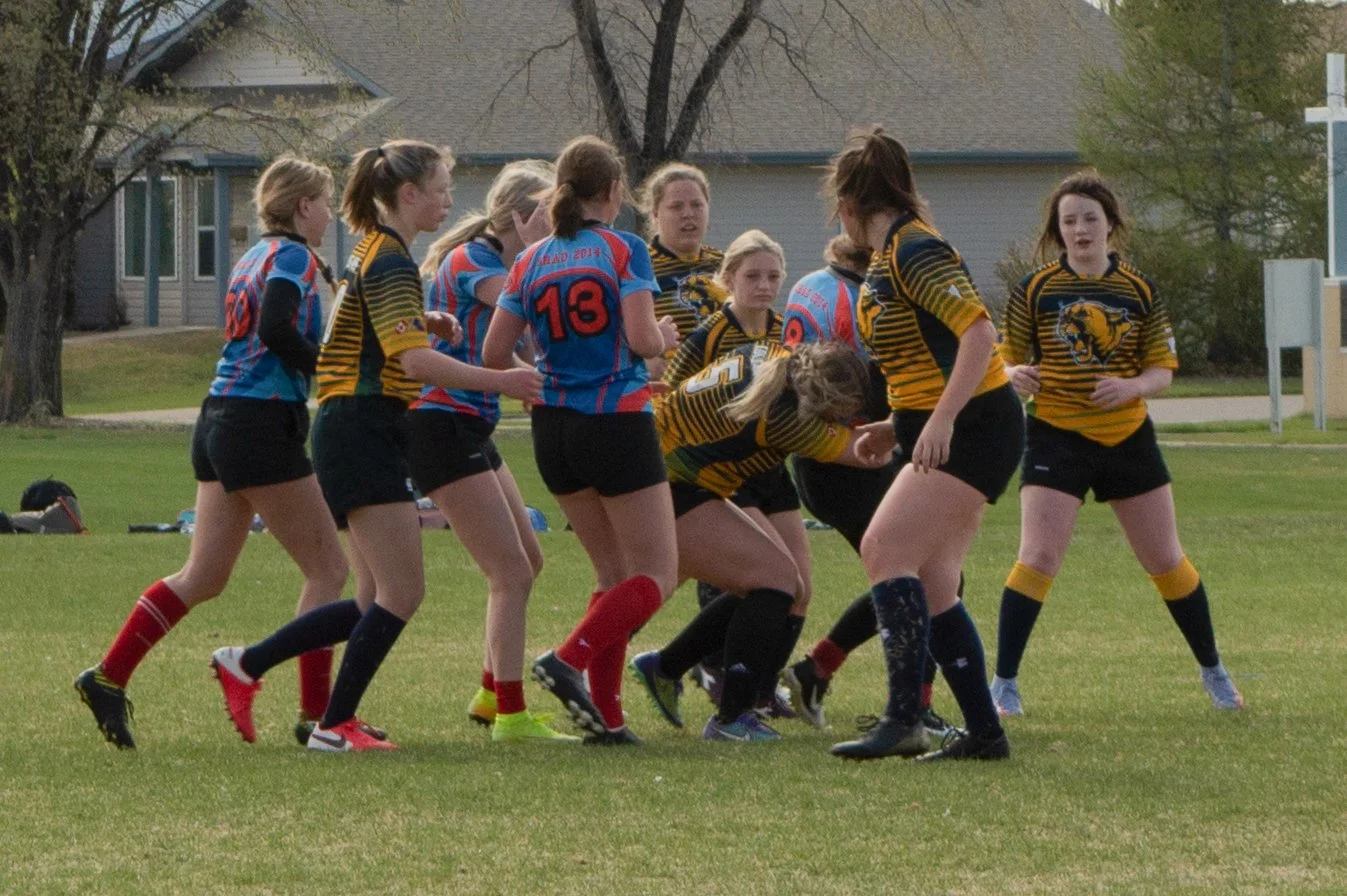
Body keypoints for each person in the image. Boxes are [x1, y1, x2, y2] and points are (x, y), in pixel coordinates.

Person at [210, 140, 543, 753]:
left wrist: (428, 323)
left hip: (353, 427)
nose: (449, 200)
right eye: (441, 188)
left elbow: (369, 334)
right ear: (408, 195)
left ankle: (249, 664)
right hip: (362, 428)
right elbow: (412, 362)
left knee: (371, 596)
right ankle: (333, 724)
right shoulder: (389, 258)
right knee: (402, 592)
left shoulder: (374, 251)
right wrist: (503, 378)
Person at [73, 156, 351, 750]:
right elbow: (277, 329)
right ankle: (319, 719)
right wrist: (331, 369)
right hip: (258, 421)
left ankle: (108, 676)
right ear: (303, 207)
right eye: (326, 202)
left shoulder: (252, 256)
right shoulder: (295, 256)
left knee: (203, 575)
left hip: (218, 416)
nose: (330, 214)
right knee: (328, 570)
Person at [990, 169, 1242, 717]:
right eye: (1069, 221)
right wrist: (1015, 373)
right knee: (1036, 556)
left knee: (1165, 560)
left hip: (1127, 437)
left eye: (1090, 219)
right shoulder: (1034, 289)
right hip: (1056, 435)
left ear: (1110, 226)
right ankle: (1003, 685)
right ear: (1058, 232)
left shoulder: (1138, 289)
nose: (1080, 230)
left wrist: (1131, 386)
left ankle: (1214, 672)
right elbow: (1004, 356)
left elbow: (1161, 371)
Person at [822, 126, 1025, 762]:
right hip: (952, 426)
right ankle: (984, 735)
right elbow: (921, 358)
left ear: (847, 207)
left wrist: (937, 423)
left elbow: (977, 335)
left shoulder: (914, 249)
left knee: (884, 548)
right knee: (935, 583)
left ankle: (904, 716)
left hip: (976, 427)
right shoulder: (886, 259)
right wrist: (898, 425)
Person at [483, 135, 680, 746]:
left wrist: (543, 366)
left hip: (554, 427)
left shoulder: (531, 258)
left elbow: (494, 354)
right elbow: (645, 339)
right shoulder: (624, 249)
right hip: (615, 420)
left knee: (613, 573)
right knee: (657, 575)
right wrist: (667, 337)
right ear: (615, 192)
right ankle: (567, 659)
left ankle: (607, 718)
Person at [629, 340, 891, 741]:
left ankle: (665, 666)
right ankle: (730, 719)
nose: (853, 416)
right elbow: (866, 453)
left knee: (780, 584)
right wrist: (911, 428)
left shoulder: (771, 354)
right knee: (776, 583)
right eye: (849, 409)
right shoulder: (786, 418)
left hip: (664, 467)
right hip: (667, 483)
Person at [407, 160, 575, 743]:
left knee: (527, 560)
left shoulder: (503, 258)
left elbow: (509, 345)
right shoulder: (474, 260)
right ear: (522, 216)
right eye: (556, 214)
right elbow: (521, 305)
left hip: (469, 425)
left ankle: (488, 695)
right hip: (439, 423)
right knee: (508, 572)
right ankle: (511, 714)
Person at [777, 235, 956, 738]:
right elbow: (853, 386)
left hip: (831, 456)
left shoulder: (814, 286)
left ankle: (818, 670)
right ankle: (911, 705)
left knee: (916, 578)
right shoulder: (863, 297)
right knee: (922, 581)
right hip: (852, 455)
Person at [660, 229, 804, 716]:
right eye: (752, 276)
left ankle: (760, 691)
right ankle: (724, 684)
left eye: (772, 276)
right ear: (729, 279)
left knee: (799, 590)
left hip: (771, 468)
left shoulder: (787, 331)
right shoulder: (711, 335)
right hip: (724, 472)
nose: (763, 285)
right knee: (764, 581)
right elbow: (673, 395)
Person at [641, 161, 728, 381]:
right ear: (655, 213)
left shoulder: (727, 265)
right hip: (665, 393)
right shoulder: (637, 266)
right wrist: (641, 365)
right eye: (676, 206)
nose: (688, 214)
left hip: (721, 391)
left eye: (697, 205)